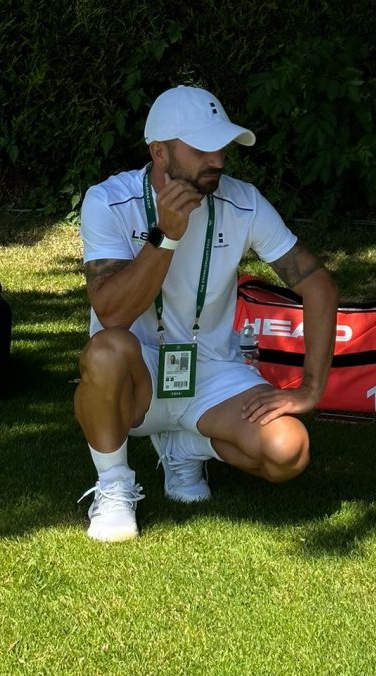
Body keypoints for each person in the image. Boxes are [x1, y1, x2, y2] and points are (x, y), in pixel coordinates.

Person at [76, 85, 338, 542]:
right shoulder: (108, 200)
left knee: (288, 450)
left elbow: (317, 285)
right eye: (201, 147)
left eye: (221, 146)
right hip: (138, 374)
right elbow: (111, 311)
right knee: (105, 349)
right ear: (159, 152)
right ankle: (115, 485)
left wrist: (311, 388)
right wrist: (165, 236)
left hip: (212, 369)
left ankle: (184, 449)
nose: (216, 158)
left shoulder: (244, 201)